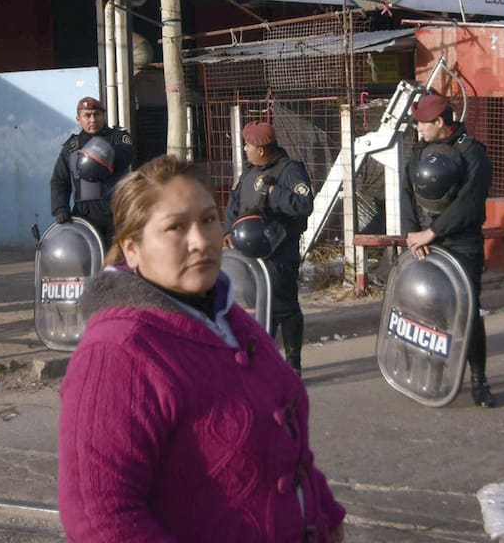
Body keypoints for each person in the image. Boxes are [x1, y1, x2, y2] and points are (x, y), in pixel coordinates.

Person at [57, 155, 345, 542]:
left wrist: (327, 516)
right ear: (132, 248)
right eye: (176, 227)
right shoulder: (118, 351)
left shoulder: (228, 316)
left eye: (208, 220)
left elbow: (288, 447)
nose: (201, 241)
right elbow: (99, 518)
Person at [400, 92, 495, 408]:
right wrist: (412, 234)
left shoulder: (472, 152)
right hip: (424, 242)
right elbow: (407, 190)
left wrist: (432, 232)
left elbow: (469, 203)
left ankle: (479, 381)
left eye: (422, 124)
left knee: (467, 312)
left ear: (440, 122)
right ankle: (436, 375)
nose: (418, 129)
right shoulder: (421, 149)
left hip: (461, 243)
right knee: (430, 311)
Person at [223, 121, 314, 375]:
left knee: (283, 306)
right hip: (248, 252)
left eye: (248, 145)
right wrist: (227, 231)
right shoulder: (250, 171)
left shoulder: (290, 171)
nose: (245, 149)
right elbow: (234, 202)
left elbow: (303, 204)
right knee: (258, 303)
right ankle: (262, 359)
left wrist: (273, 191)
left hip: (279, 251)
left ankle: (292, 363)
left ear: (261, 149)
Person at [50, 96, 135, 248]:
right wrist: (60, 208)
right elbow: (59, 181)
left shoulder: (119, 138)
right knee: (87, 257)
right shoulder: (71, 147)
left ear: (104, 116)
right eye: (87, 115)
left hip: (116, 211)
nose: (93, 120)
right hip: (85, 214)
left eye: (97, 114)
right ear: (78, 119)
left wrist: (100, 152)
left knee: (118, 257)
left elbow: (127, 156)